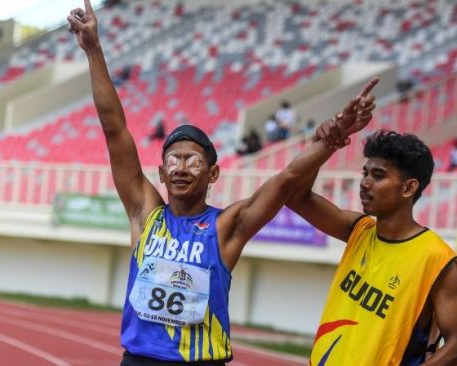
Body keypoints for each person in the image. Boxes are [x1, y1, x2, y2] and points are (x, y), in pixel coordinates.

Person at [67, 3, 379, 364]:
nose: (182, 167)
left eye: (193, 160)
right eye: (174, 160)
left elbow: (287, 179)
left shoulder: (228, 226)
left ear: (213, 174)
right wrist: (93, 49)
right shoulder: (144, 213)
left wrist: (332, 137)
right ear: (162, 174)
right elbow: (114, 129)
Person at [286, 125, 457, 365]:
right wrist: (324, 146)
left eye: (378, 176)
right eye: (365, 174)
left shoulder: (436, 258)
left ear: (409, 187)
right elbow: (295, 196)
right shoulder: (358, 230)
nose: (365, 183)